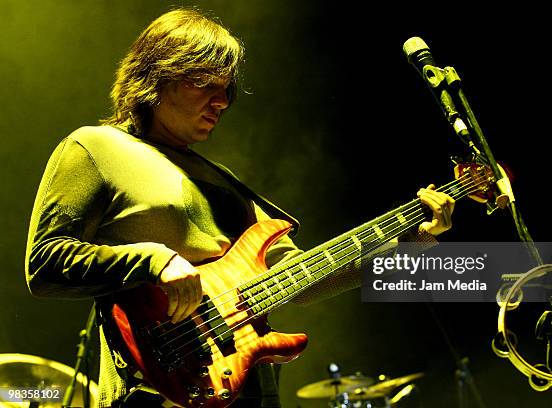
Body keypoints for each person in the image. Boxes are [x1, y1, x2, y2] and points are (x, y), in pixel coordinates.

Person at [24, 8, 455, 408]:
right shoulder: (97, 147)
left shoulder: (226, 183)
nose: (222, 101)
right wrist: (153, 260)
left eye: (226, 88)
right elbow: (43, 264)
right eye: (205, 83)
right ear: (158, 75)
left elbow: (304, 281)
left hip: (247, 391)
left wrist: (415, 243)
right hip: (155, 392)